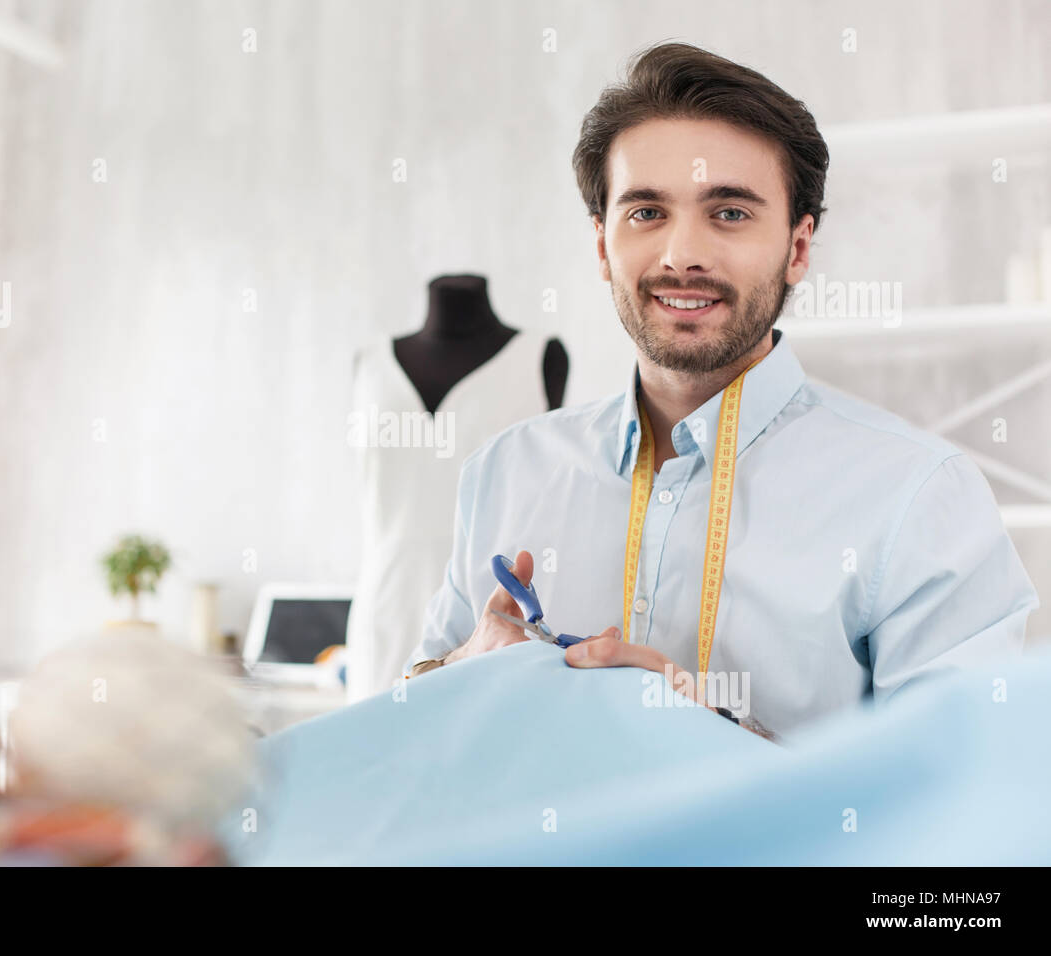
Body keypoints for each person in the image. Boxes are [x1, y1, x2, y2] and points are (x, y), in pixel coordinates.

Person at [404, 43, 1039, 743]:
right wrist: (460, 670)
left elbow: (962, 816)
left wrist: (719, 750)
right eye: (646, 212)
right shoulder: (504, 473)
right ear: (600, 244)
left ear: (798, 248)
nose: (682, 255)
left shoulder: (921, 500)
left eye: (730, 213)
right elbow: (412, 747)